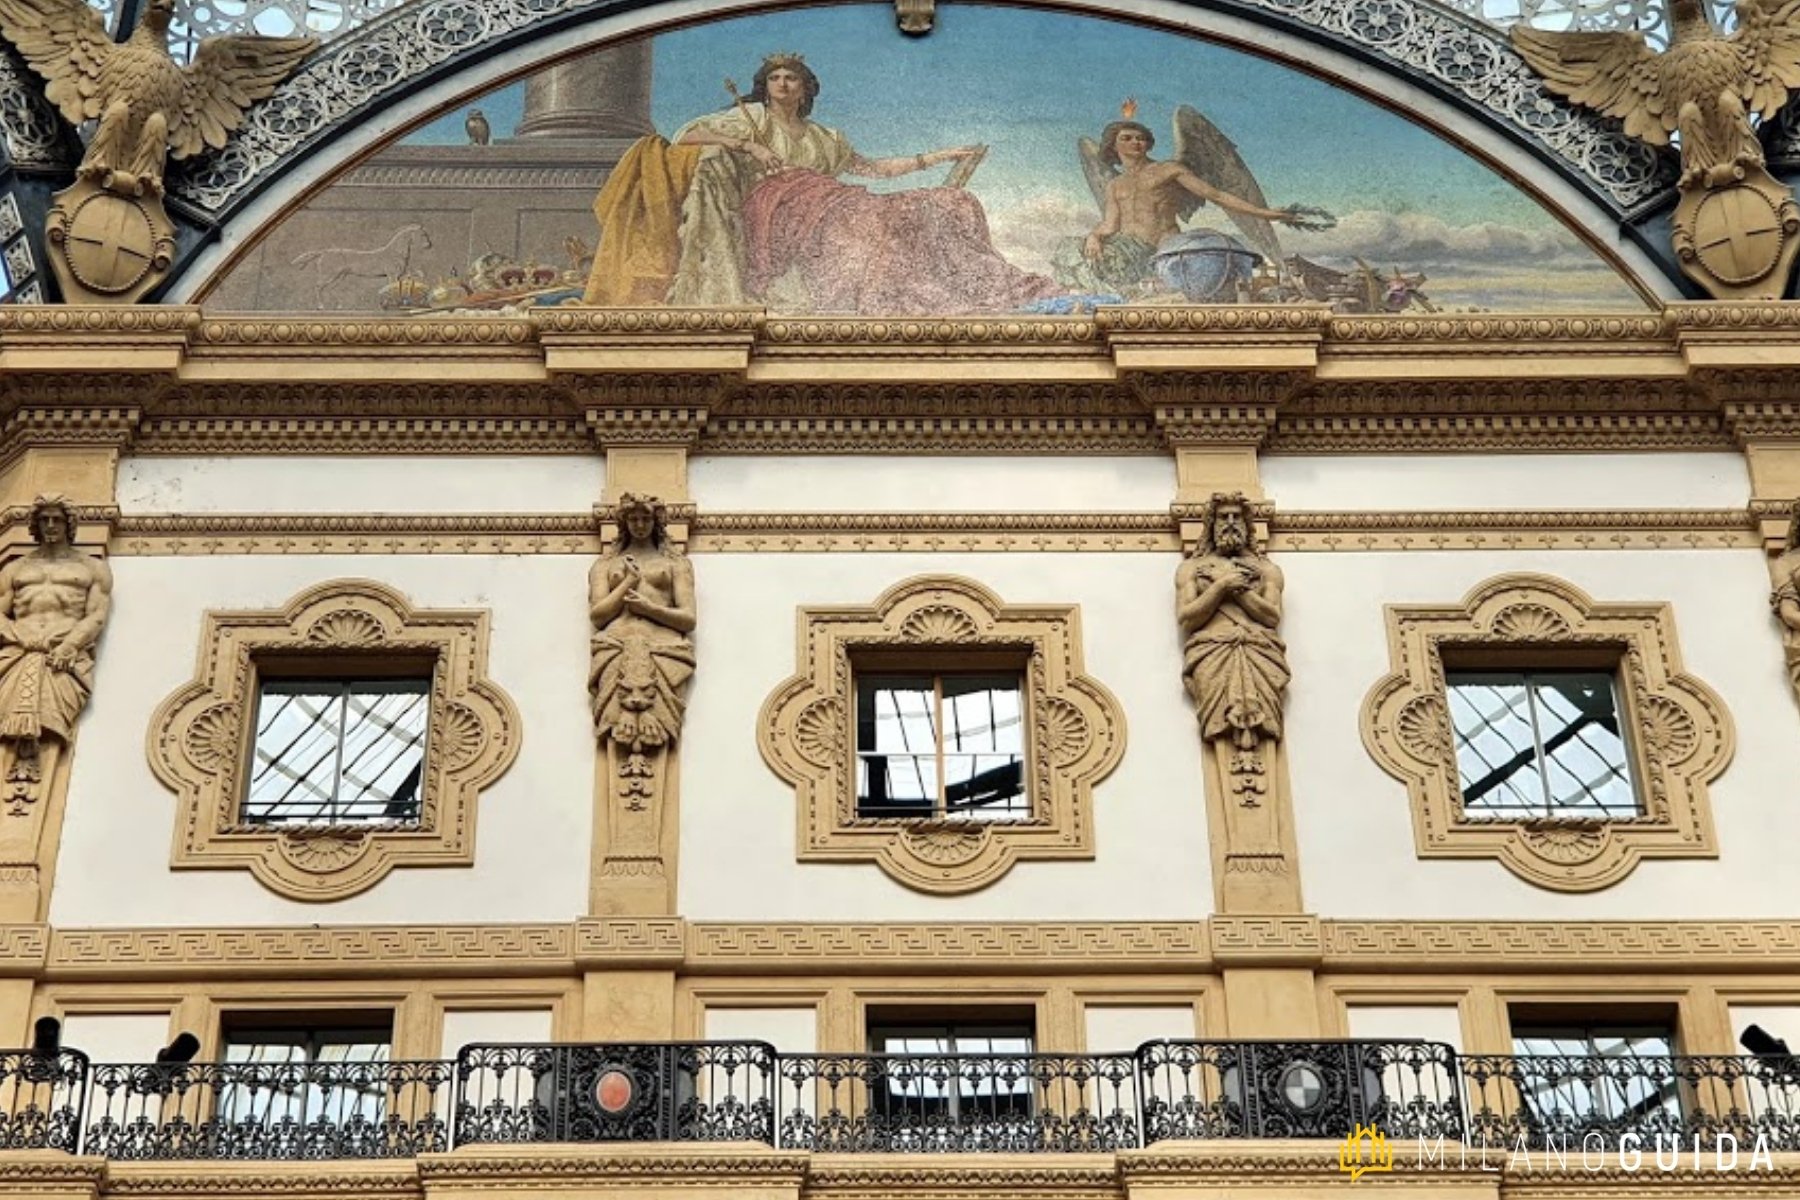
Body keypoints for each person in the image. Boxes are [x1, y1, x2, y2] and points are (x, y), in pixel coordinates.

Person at [584, 53, 1063, 313]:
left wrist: (941, 156)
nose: (784, 85)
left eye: (793, 78)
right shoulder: (747, 119)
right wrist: (749, 146)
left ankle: (950, 290)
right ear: (764, 85)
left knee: (921, 208)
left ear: (806, 88)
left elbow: (875, 170)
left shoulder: (824, 137)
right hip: (778, 210)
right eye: (776, 78)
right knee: (871, 228)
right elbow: (688, 136)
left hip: (830, 201)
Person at [1055, 117, 1324, 296]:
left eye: (1141, 138)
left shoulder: (1168, 170)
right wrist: (1095, 235)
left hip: (1165, 246)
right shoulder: (1115, 185)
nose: (1137, 142)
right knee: (1068, 251)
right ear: (1113, 145)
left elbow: (1217, 194)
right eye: (1128, 138)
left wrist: (1270, 214)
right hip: (1128, 248)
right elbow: (1111, 224)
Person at [0, 496, 111, 796]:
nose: (50, 525)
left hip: (64, 656)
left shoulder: (91, 567)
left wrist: (70, 645)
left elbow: (97, 615)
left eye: (57, 520)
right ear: (35, 526)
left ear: (69, 525)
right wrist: (17, 635)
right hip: (18, 653)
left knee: (50, 722)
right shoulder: (16, 568)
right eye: (44, 520)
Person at [589, 495, 696, 790]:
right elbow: (598, 615)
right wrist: (626, 584)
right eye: (633, 520)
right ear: (623, 523)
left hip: (663, 650)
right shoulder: (605, 566)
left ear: (657, 522)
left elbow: (688, 618)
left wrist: (649, 609)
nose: (639, 525)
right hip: (615, 647)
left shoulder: (675, 564)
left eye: (646, 519)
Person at [1176, 492, 1288, 753]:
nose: (1230, 522)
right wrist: (1223, 585)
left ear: (1248, 526)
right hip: (1212, 652)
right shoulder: (1191, 569)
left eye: (1236, 517)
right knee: (1220, 720)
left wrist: (1239, 590)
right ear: (1211, 525)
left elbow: (1272, 616)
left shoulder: (1267, 570)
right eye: (1223, 517)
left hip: (1259, 652)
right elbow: (1187, 617)